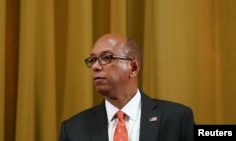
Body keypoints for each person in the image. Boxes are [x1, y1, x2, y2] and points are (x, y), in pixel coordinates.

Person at [59, 33, 194, 141]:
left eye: (106, 58)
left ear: (134, 67)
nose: (95, 66)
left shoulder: (177, 119)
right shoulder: (73, 129)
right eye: (92, 60)